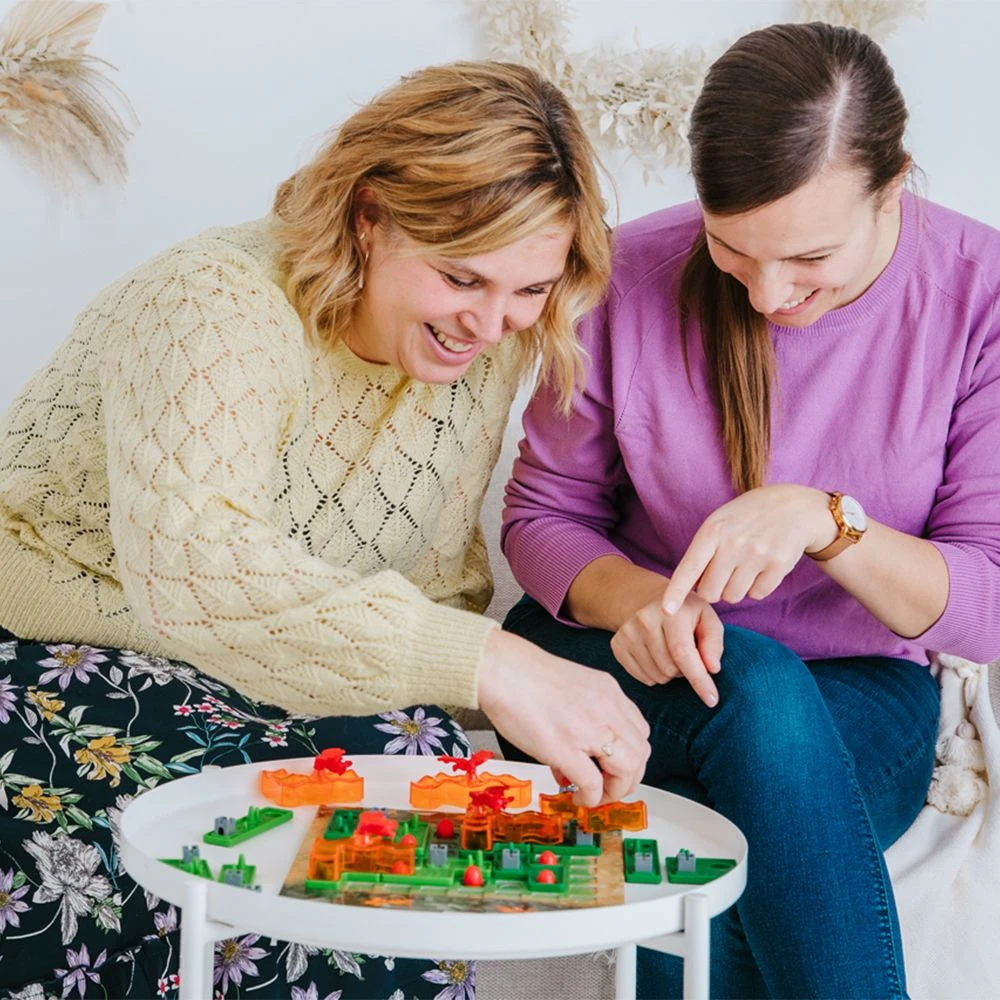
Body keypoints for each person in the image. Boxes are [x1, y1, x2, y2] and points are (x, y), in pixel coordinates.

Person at [0, 61, 650, 1000]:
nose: (491, 321)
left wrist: (471, 717)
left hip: (265, 665)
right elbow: (197, 573)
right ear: (368, 217)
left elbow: (431, 584)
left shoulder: (482, 343)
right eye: (461, 275)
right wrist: (493, 666)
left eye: (529, 288)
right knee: (278, 819)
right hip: (56, 641)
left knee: (421, 776)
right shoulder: (213, 301)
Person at [500, 21, 1000, 1000]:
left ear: (893, 187)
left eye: (810, 257)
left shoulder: (978, 296)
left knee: (715, 799)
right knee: (753, 685)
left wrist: (828, 522)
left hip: (858, 689)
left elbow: (985, 604)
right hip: (610, 660)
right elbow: (541, 517)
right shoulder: (623, 278)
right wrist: (640, 602)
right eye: (730, 248)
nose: (768, 294)